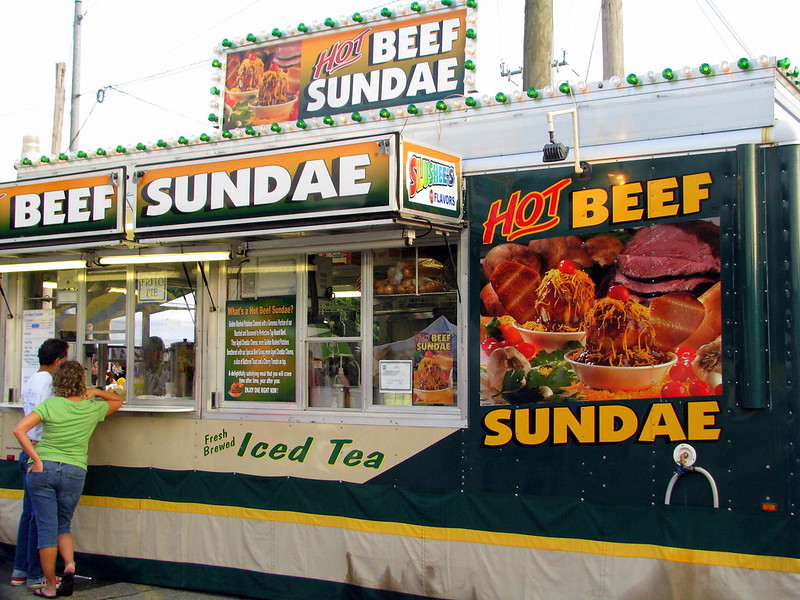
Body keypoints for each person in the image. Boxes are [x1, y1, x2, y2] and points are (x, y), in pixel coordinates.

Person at [13, 360, 123, 599]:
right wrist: (94, 392)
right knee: (63, 525)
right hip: (75, 470)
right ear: (81, 383)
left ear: (57, 383)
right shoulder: (91, 408)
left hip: (44, 470)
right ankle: (70, 565)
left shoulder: (51, 405)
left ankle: (50, 585)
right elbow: (117, 400)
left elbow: (20, 430)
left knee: (46, 529)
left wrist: (37, 460)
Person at [11, 338, 68, 590]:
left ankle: (20, 569)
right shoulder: (50, 384)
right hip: (41, 453)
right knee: (41, 518)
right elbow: (54, 412)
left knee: (28, 515)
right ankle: (37, 574)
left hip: (27, 451)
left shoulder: (32, 380)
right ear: (58, 361)